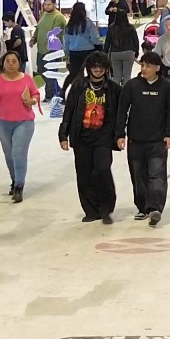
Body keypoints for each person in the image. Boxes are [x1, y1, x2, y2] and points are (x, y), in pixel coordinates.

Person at [59, 52, 126, 223]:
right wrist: (63, 135)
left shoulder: (113, 88)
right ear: (89, 68)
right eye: (94, 66)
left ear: (106, 68)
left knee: (102, 169)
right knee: (84, 173)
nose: (97, 69)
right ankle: (91, 210)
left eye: (101, 66)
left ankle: (106, 209)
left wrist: (120, 134)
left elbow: (120, 115)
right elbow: (69, 112)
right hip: (81, 136)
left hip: (103, 136)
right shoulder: (78, 86)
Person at [123, 50, 170, 226]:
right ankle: (142, 207)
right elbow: (122, 110)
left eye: (148, 65)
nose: (144, 68)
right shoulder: (132, 86)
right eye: (142, 64)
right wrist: (119, 134)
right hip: (136, 140)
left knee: (157, 175)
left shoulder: (165, 87)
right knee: (138, 176)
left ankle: (155, 208)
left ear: (157, 67)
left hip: (157, 141)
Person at [0, 49, 40, 203]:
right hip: (3, 123)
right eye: (8, 61)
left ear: (19, 63)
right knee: (9, 155)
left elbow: (35, 94)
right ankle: (14, 180)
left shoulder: (27, 79)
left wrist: (32, 101)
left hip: (24, 122)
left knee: (18, 153)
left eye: (14, 61)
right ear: (3, 64)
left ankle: (20, 186)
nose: (11, 64)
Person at [62, 2, 101, 79]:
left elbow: (66, 42)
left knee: (77, 75)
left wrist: (66, 53)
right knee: (92, 73)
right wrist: (98, 44)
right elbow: (94, 38)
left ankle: (79, 89)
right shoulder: (88, 22)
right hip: (88, 51)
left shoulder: (70, 24)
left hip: (74, 52)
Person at [105, 0, 139, 80]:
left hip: (115, 53)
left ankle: (116, 93)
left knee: (116, 76)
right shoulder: (130, 28)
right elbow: (136, 41)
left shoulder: (111, 28)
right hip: (128, 52)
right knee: (127, 76)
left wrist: (105, 53)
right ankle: (127, 93)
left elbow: (107, 42)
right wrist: (137, 52)